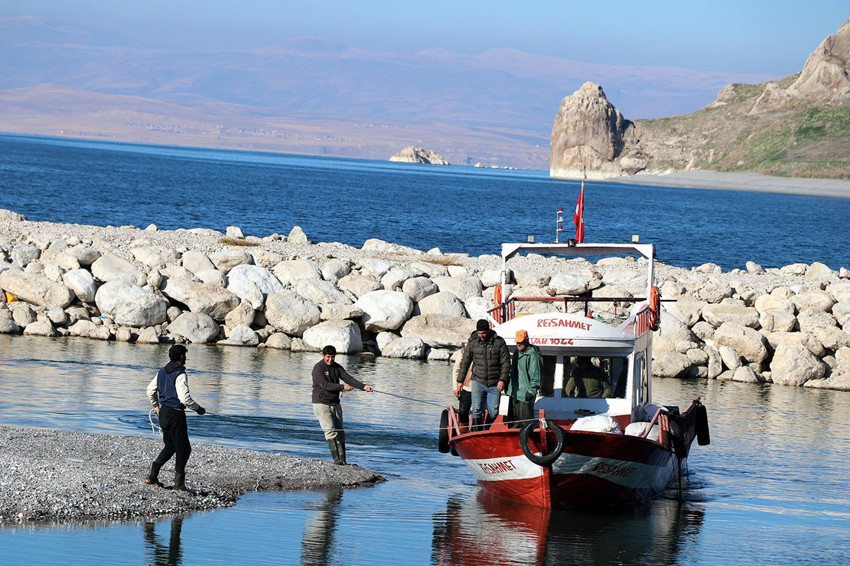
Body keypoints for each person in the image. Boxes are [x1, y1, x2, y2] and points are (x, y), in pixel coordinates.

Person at [144, 344, 206, 491]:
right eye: (185, 354)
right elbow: (184, 399)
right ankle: (178, 484)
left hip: (163, 413)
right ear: (181, 357)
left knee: (170, 446)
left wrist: (156, 406)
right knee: (183, 448)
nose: (186, 357)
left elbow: (150, 390)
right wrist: (198, 409)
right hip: (175, 414)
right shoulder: (180, 374)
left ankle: (152, 475)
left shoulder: (162, 371)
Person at [312, 345, 372, 465]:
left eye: (332, 357)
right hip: (321, 403)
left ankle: (343, 460)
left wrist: (363, 386)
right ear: (323, 356)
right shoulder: (318, 368)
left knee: (340, 432)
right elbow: (325, 385)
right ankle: (337, 460)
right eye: (328, 357)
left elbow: (348, 378)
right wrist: (342, 387)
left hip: (335, 403)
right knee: (330, 431)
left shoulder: (337, 367)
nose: (330, 360)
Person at [455, 319, 511, 430]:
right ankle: (478, 433)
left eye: (484, 333)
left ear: (488, 330)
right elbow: (465, 363)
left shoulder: (499, 342)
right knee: (476, 409)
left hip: (495, 383)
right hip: (478, 381)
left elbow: (506, 363)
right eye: (479, 333)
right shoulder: (472, 343)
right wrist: (460, 381)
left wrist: (502, 380)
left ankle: (485, 428)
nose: (482, 335)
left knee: (494, 411)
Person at [507, 330, 542, 427]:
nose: (518, 344)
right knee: (514, 423)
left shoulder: (533, 355)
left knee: (526, 424)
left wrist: (531, 391)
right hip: (514, 393)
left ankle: (527, 440)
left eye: (521, 341)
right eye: (517, 342)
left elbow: (536, 374)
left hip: (525, 394)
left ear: (527, 340)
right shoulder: (516, 354)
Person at [452, 345, 473, 428]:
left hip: (480, 387)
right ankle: (463, 430)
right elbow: (456, 370)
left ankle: (478, 431)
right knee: (463, 412)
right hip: (465, 387)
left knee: (478, 412)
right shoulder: (463, 352)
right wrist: (455, 387)